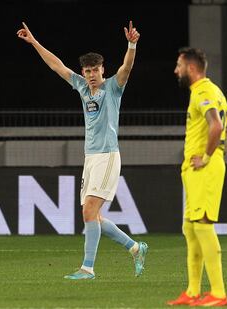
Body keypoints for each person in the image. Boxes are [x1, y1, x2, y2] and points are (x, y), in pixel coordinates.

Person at [17, 21, 148, 280]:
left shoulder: (113, 87)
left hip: (108, 155)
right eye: (87, 71)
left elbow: (127, 67)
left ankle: (87, 268)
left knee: (89, 211)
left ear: (103, 70)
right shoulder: (80, 86)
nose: (91, 75)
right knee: (92, 216)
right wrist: (34, 43)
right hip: (90, 158)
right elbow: (56, 65)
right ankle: (135, 248)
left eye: (95, 70)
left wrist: (131, 44)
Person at [167, 47, 227, 307]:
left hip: (204, 168)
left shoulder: (204, 91)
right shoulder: (212, 90)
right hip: (197, 169)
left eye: (178, 65)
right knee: (190, 227)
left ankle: (218, 293)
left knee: (202, 226)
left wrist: (210, 156)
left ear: (191, 68)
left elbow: (218, 126)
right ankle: (193, 291)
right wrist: (220, 151)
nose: (176, 70)